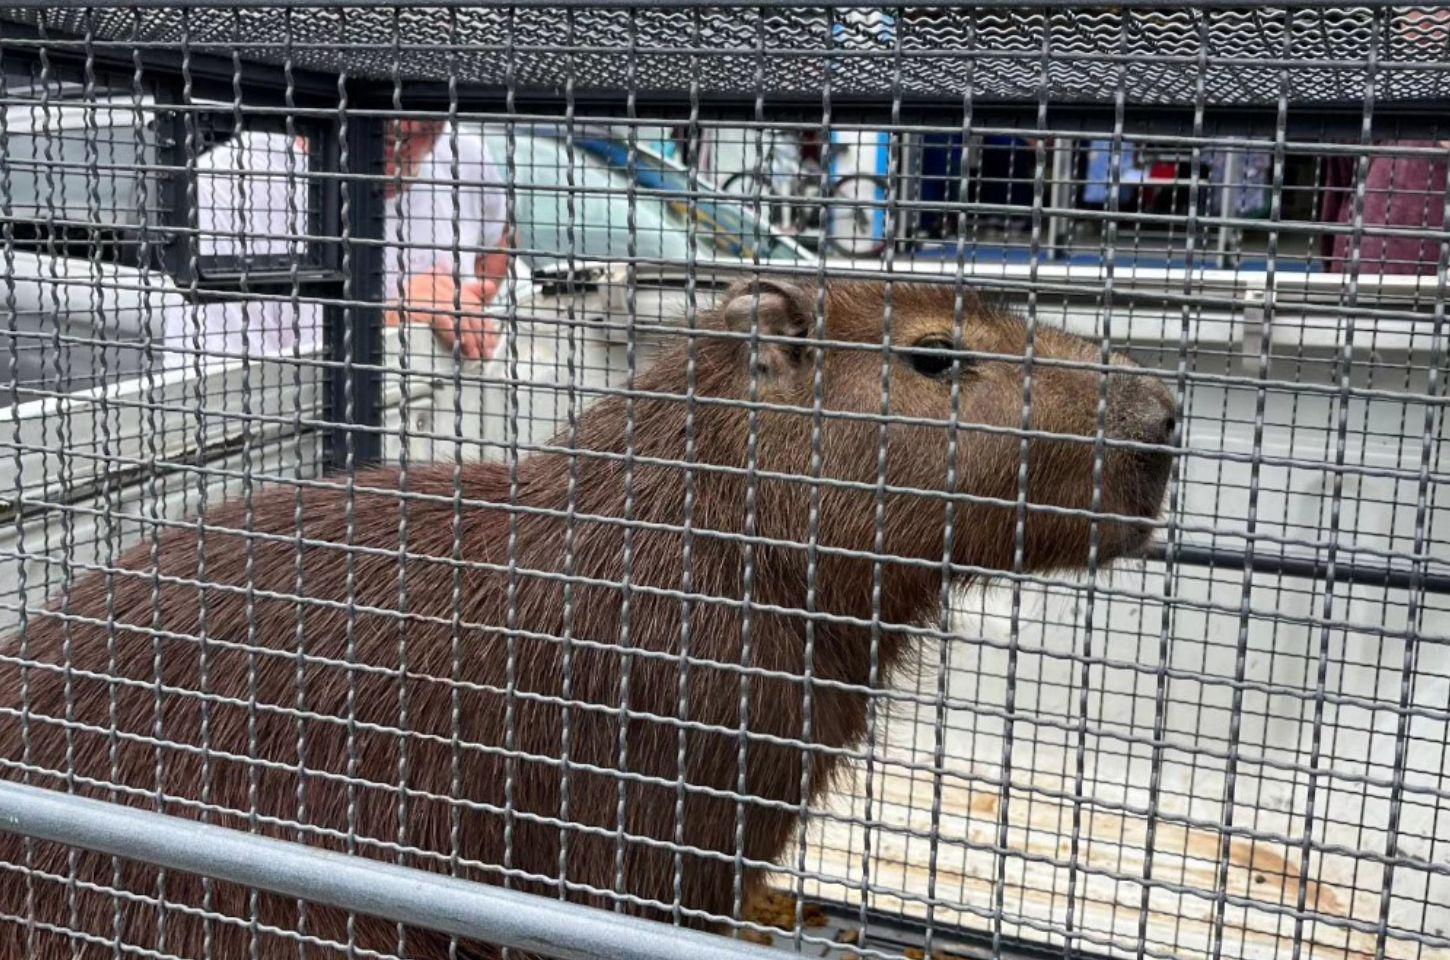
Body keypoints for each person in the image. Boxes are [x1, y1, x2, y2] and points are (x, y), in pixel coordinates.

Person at [183, 119, 511, 365]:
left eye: (426, 126)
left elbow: (500, 238)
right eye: (388, 136)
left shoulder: (461, 152)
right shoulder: (222, 187)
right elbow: (220, 390)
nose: (410, 133)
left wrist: (472, 298)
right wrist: (386, 322)